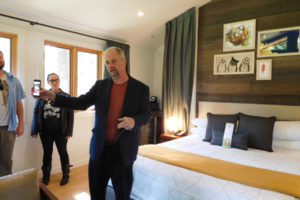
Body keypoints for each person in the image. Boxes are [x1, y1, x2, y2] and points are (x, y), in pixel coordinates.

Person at [36, 47, 150, 200]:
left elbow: (146, 114)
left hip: (123, 152)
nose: (110, 66)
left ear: (124, 62)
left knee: (122, 195)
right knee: (96, 194)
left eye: (114, 61)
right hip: (99, 150)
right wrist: (52, 96)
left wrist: (134, 121)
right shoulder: (100, 86)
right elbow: (80, 102)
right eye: (107, 62)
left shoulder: (141, 89)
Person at [31, 73, 74, 186]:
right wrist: (34, 130)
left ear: (59, 81)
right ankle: (46, 177)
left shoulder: (66, 96)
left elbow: (70, 115)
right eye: (52, 80)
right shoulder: (42, 96)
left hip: (61, 130)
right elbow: (36, 112)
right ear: (48, 82)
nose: (55, 82)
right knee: (47, 153)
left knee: (63, 152)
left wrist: (69, 131)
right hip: (45, 131)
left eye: (57, 80)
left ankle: (66, 175)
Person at [0, 50, 25, 176]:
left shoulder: (13, 80)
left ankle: (4, 191)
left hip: (8, 128)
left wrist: (21, 123)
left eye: (0, 57)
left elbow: (18, 103)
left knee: (6, 162)